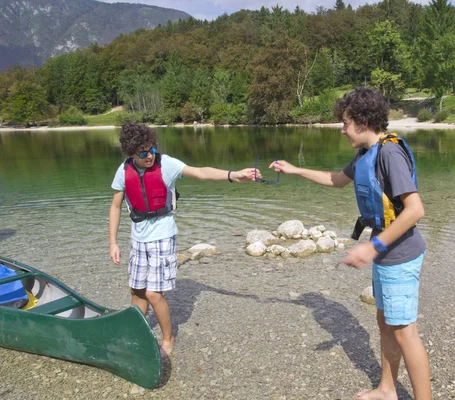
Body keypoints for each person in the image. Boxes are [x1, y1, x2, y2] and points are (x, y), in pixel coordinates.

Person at [269, 87, 431, 400]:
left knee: (405, 333)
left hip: (399, 255)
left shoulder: (389, 153)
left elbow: (415, 210)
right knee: (386, 325)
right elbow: (337, 180)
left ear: (362, 120)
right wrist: (294, 169)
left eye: (345, 123)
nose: (342, 130)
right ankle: (387, 389)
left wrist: (373, 247)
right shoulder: (365, 154)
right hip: (386, 255)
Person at [109, 123, 260, 357]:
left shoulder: (165, 164)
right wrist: (112, 242)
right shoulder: (124, 169)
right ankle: (137, 332)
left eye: (152, 149)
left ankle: (168, 340)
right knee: (137, 290)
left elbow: (200, 172)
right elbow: (116, 206)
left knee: (153, 294)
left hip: (162, 236)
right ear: (131, 154)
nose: (149, 156)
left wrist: (233, 175)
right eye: (142, 153)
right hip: (138, 238)